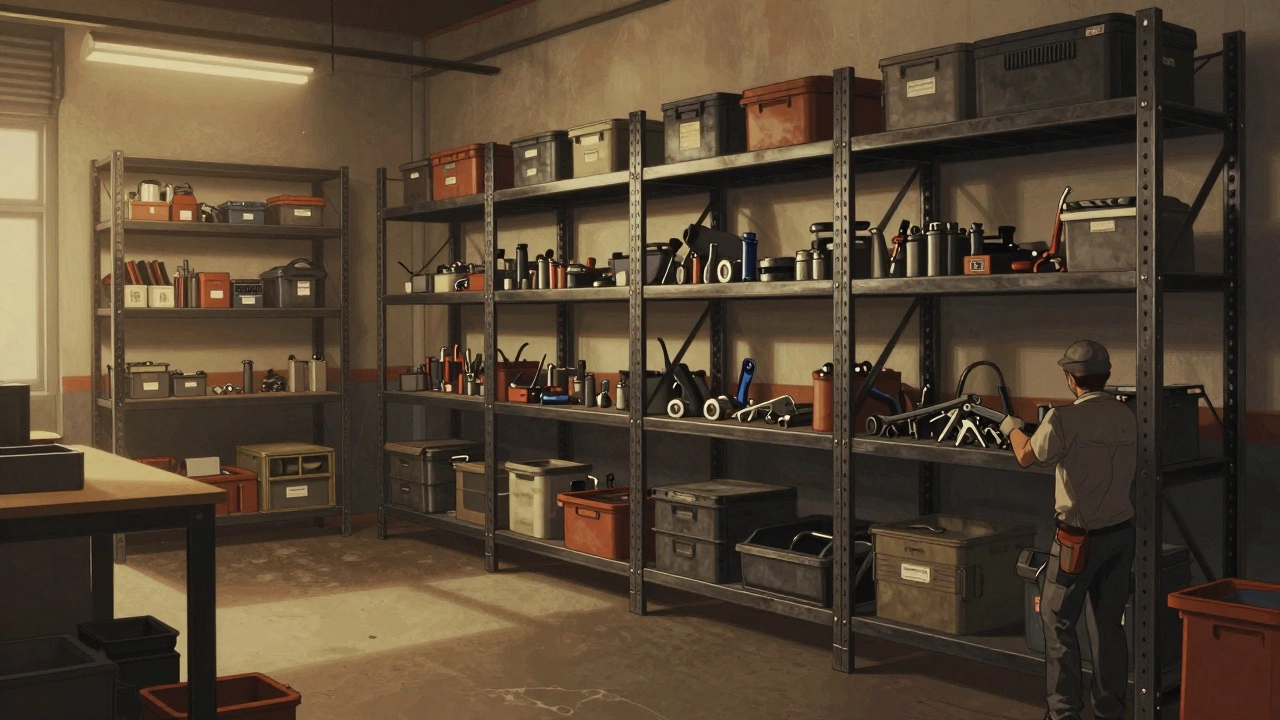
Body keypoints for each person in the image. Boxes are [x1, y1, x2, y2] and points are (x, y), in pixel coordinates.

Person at [999, 340, 1137, 720]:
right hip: (1121, 536)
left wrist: (1011, 428)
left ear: (1072, 378)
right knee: (1109, 626)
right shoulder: (1129, 416)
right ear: (1105, 375)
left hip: (1077, 540)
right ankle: (1109, 711)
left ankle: (1063, 713)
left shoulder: (1062, 419)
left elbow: (1026, 456)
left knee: (1057, 622)